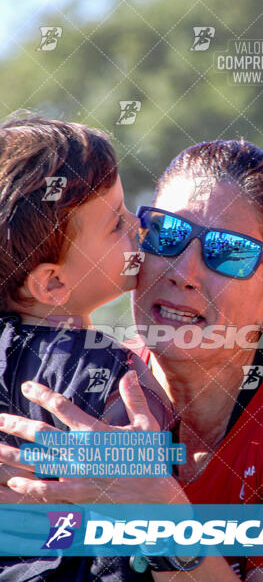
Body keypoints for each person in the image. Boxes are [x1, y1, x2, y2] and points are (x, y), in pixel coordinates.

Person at [0, 140, 263, 582]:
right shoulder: (92, 391)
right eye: (167, 234)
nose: (183, 273)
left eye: (228, 252)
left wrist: (162, 522)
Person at [0, 116, 174, 581]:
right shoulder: (110, 372)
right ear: (53, 282)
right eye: (116, 223)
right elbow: (158, 485)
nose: (138, 224)